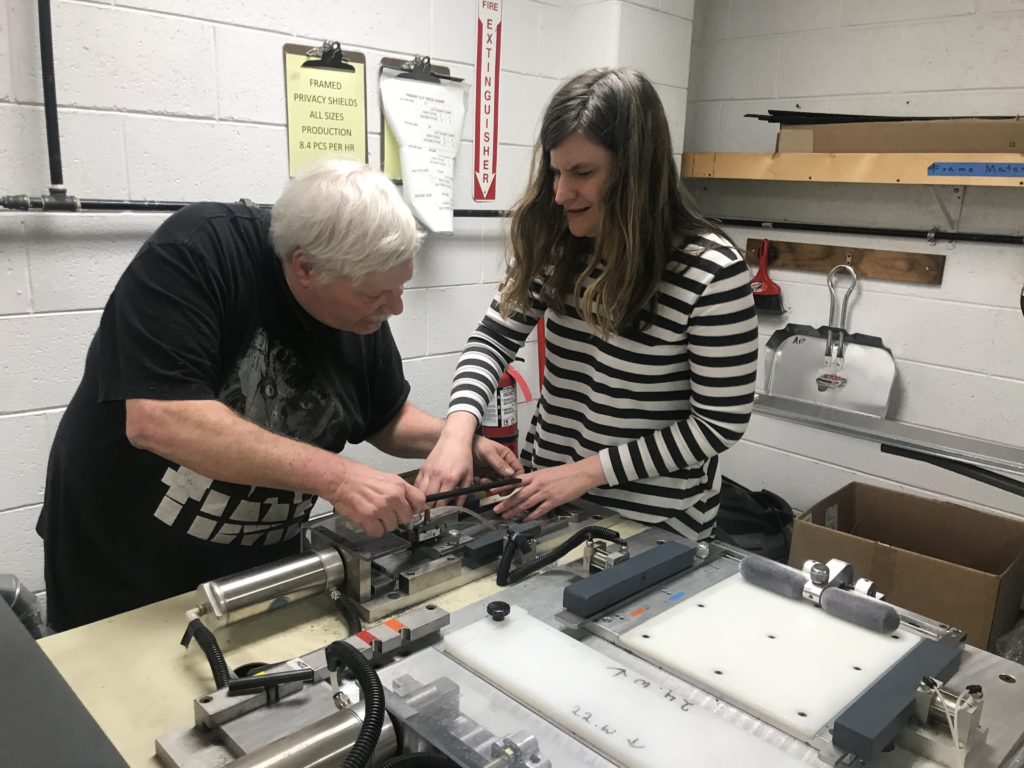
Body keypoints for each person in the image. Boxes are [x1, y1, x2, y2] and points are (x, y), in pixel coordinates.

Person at [37, 160, 519, 631]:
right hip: (127, 578)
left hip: (260, 576)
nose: (394, 307)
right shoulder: (200, 252)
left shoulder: (361, 312)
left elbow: (386, 417)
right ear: (306, 267)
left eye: (398, 289)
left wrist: (458, 443)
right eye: (377, 294)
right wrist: (339, 478)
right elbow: (159, 418)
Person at [416, 68, 757, 541]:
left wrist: (586, 472)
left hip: (654, 522)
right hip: (549, 498)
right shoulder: (557, 244)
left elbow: (717, 425)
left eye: (582, 173)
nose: (560, 193)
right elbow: (493, 339)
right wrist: (456, 432)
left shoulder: (712, 272)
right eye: (556, 172)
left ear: (636, 172)